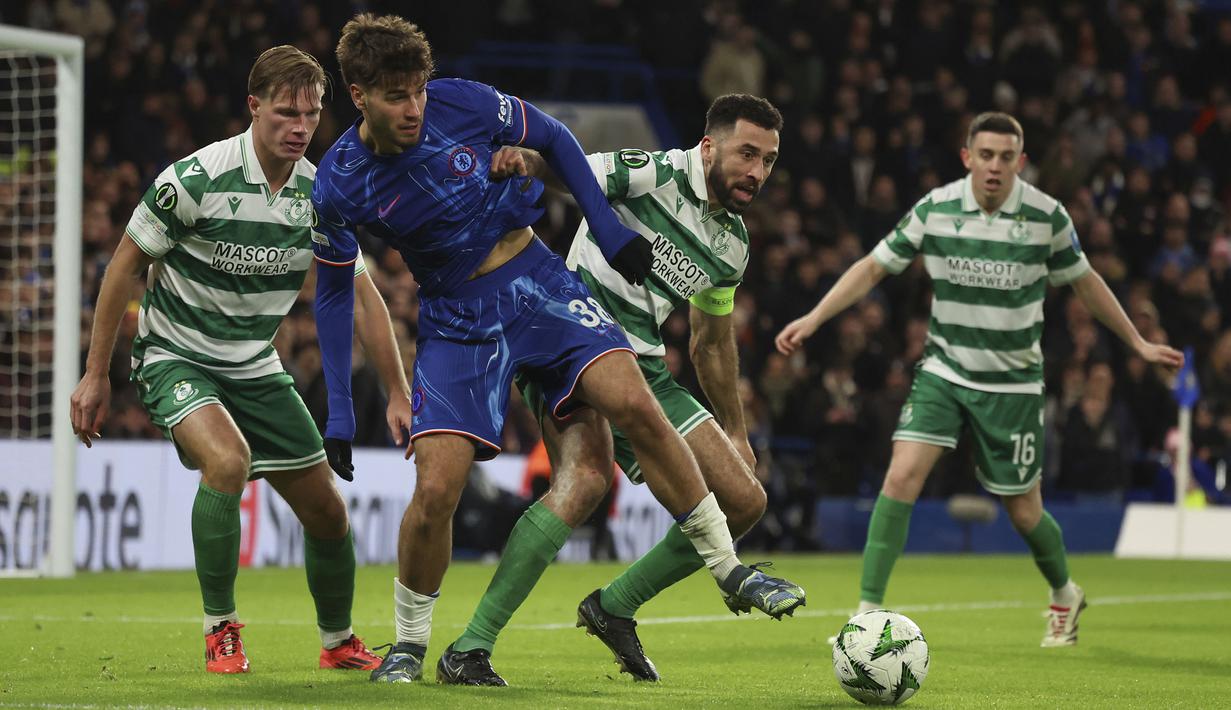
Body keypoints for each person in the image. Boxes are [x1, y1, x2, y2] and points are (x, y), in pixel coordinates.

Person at [310, 14, 806, 685]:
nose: (414, 108)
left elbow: (551, 135)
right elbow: (334, 289)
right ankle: (409, 646)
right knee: (436, 488)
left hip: (538, 283)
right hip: (456, 318)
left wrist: (607, 229)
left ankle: (726, 568)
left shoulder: (461, 100)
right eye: (396, 97)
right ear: (358, 94)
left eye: (419, 91)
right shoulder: (339, 181)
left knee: (632, 407)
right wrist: (340, 411)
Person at [776, 112, 1185, 647]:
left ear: (1021, 161)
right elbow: (874, 266)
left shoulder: (1047, 217)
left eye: (1006, 157)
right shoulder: (936, 208)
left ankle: (1064, 592)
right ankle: (865, 615)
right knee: (900, 477)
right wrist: (814, 317)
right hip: (944, 370)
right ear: (967, 157)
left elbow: (1086, 283)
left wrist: (1137, 342)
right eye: (986, 155)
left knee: (1024, 510)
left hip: (1012, 384)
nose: (995, 166)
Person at [69, 46, 409, 674]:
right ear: (253, 107)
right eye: (286, 113)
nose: (301, 127)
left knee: (327, 510)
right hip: (175, 355)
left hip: (254, 365)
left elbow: (365, 298)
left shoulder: (322, 196)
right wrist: (94, 374)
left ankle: (337, 642)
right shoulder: (194, 180)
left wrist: (397, 390)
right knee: (228, 461)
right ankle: (220, 630)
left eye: (311, 114)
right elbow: (123, 267)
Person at [445, 94, 791, 683]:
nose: (757, 172)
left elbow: (710, 343)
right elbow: (572, 169)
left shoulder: (732, 246)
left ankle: (614, 607)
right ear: (709, 147)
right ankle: (470, 648)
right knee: (583, 480)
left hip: (644, 368)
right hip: (569, 335)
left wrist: (736, 429)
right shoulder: (654, 172)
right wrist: (527, 161)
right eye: (747, 154)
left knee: (745, 501)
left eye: (769, 161)